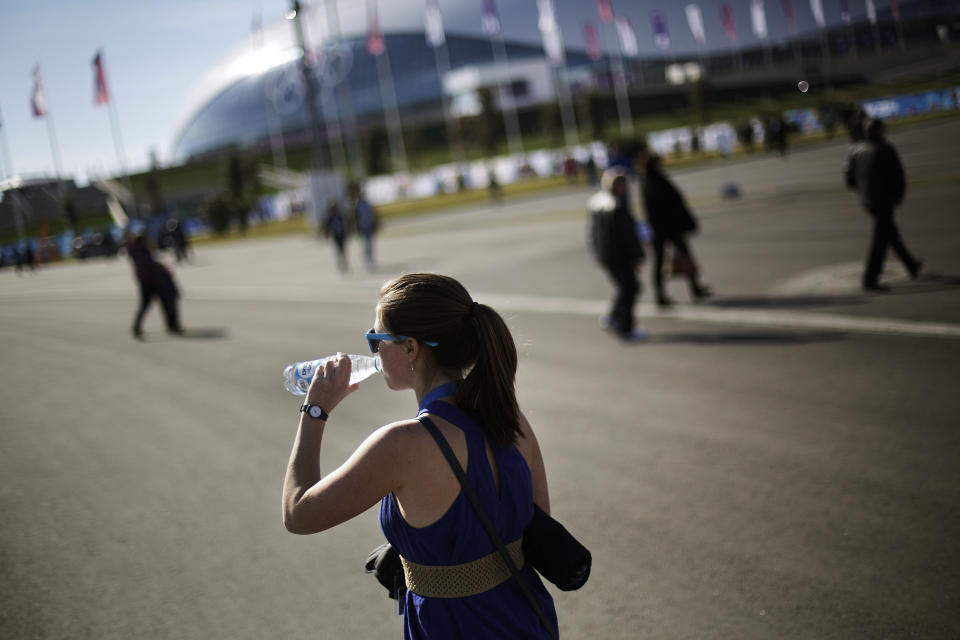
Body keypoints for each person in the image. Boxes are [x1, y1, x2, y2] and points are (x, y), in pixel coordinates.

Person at [282, 274, 559, 639]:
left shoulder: (401, 444)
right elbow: (535, 520)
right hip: (526, 618)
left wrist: (315, 411)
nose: (374, 352)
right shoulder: (509, 416)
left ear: (411, 348)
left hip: (455, 627)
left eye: (377, 339)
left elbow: (298, 513)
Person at [844, 118, 922, 292]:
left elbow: (849, 179)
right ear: (878, 131)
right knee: (881, 240)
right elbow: (897, 175)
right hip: (884, 200)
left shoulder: (856, 150)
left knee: (890, 233)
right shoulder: (884, 149)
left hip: (868, 201)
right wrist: (897, 196)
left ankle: (911, 264)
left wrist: (863, 191)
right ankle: (870, 278)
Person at [641, 155, 712, 307]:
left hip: (667, 229)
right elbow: (658, 211)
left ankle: (694, 288)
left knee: (683, 256)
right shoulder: (652, 183)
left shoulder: (655, 181)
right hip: (664, 230)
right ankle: (661, 296)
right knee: (663, 262)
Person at [587, 168, 646, 340]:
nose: (625, 188)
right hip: (619, 257)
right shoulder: (615, 206)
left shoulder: (599, 204)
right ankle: (624, 326)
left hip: (609, 256)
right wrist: (636, 256)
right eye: (621, 184)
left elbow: (595, 236)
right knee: (630, 288)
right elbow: (625, 236)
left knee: (627, 288)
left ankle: (614, 317)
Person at [127, 232, 183, 339]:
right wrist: (160, 268)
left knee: (146, 305)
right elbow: (149, 265)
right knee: (166, 303)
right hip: (153, 282)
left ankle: (137, 327)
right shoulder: (142, 250)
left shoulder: (135, 249)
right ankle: (172, 325)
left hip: (146, 281)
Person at [350, 182, 380, 271]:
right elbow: (355, 219)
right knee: (365, 245)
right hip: (362, 229)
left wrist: (375, 224)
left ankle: (371, 259)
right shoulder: (356, 205)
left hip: (369, 227)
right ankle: (366, 260)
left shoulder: (367, 204)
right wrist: (356, 229)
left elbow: (373, 214)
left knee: (370, 245)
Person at [322, 199, 348, 273]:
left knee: (343, 250)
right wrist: (327, 236)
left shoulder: (340, 214)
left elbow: (344, 224)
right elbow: (327, 227)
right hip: (336, 235)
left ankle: (344, 263)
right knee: (338, 250)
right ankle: (341, 264)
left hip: (342, 234)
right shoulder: (330, 216)